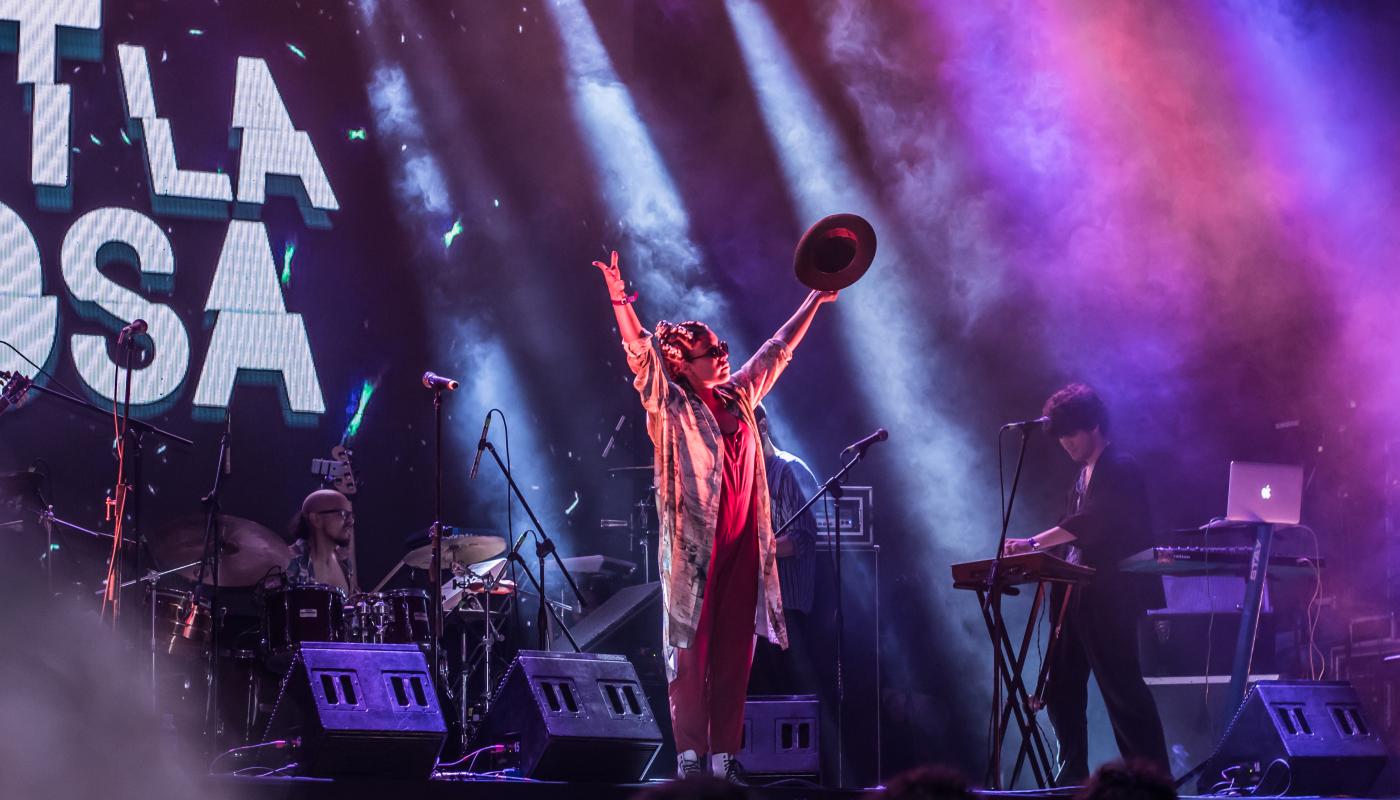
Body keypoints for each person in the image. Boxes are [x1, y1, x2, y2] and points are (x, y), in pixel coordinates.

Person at [592, 249, 837, 781]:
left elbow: (776, 351)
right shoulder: (672, 407)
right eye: (712, 352)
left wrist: (815, 299)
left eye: (723, 347)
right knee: (688, 651)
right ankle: (689, 757)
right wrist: (618, 296)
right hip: (694, 550)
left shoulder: (740, 396)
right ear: (683, 363)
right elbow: (640, 354)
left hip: (745, 547)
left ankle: (724, 756)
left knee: (734, 656)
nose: (723, 356)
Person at [1002, 383, 1169, 785]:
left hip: (1109, 597)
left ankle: (1153, 782)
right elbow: (1074, 535)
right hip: (1075, 598)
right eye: (1059, 435)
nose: (1064, 443)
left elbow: (1092, 522)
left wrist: (1032, 543)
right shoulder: (1081, 477)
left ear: (1093, 425)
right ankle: (1070, 777)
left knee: (1122, 691)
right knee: (1059, 686)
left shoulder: (1120, 468)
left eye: (1070, 433)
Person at [749, 403, 819, 695]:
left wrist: (752, 550)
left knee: (785, 700)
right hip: (757, 614)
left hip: (787, 612)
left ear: (762, 428)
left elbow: (802, 539)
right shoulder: (747, 479)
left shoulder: (789, 470)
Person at [286, 488, 359, 594]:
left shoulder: (345, 562)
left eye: (351, 516)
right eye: (342, 514)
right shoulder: (288, 562)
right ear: (316, 519)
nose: (350, 521)